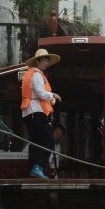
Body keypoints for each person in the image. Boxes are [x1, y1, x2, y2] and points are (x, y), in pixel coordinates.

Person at [20, 48, 61, 179]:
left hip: (29, 112)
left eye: (47, 60)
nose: (46, 62)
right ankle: (38, 167)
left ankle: (34, 168)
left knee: (35, 142)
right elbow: (39, 92)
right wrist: (53, 95)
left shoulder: (30, 73)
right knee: (48, 140)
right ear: (38, 61)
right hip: (35, 112)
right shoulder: (36, 74)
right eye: (44, 59)